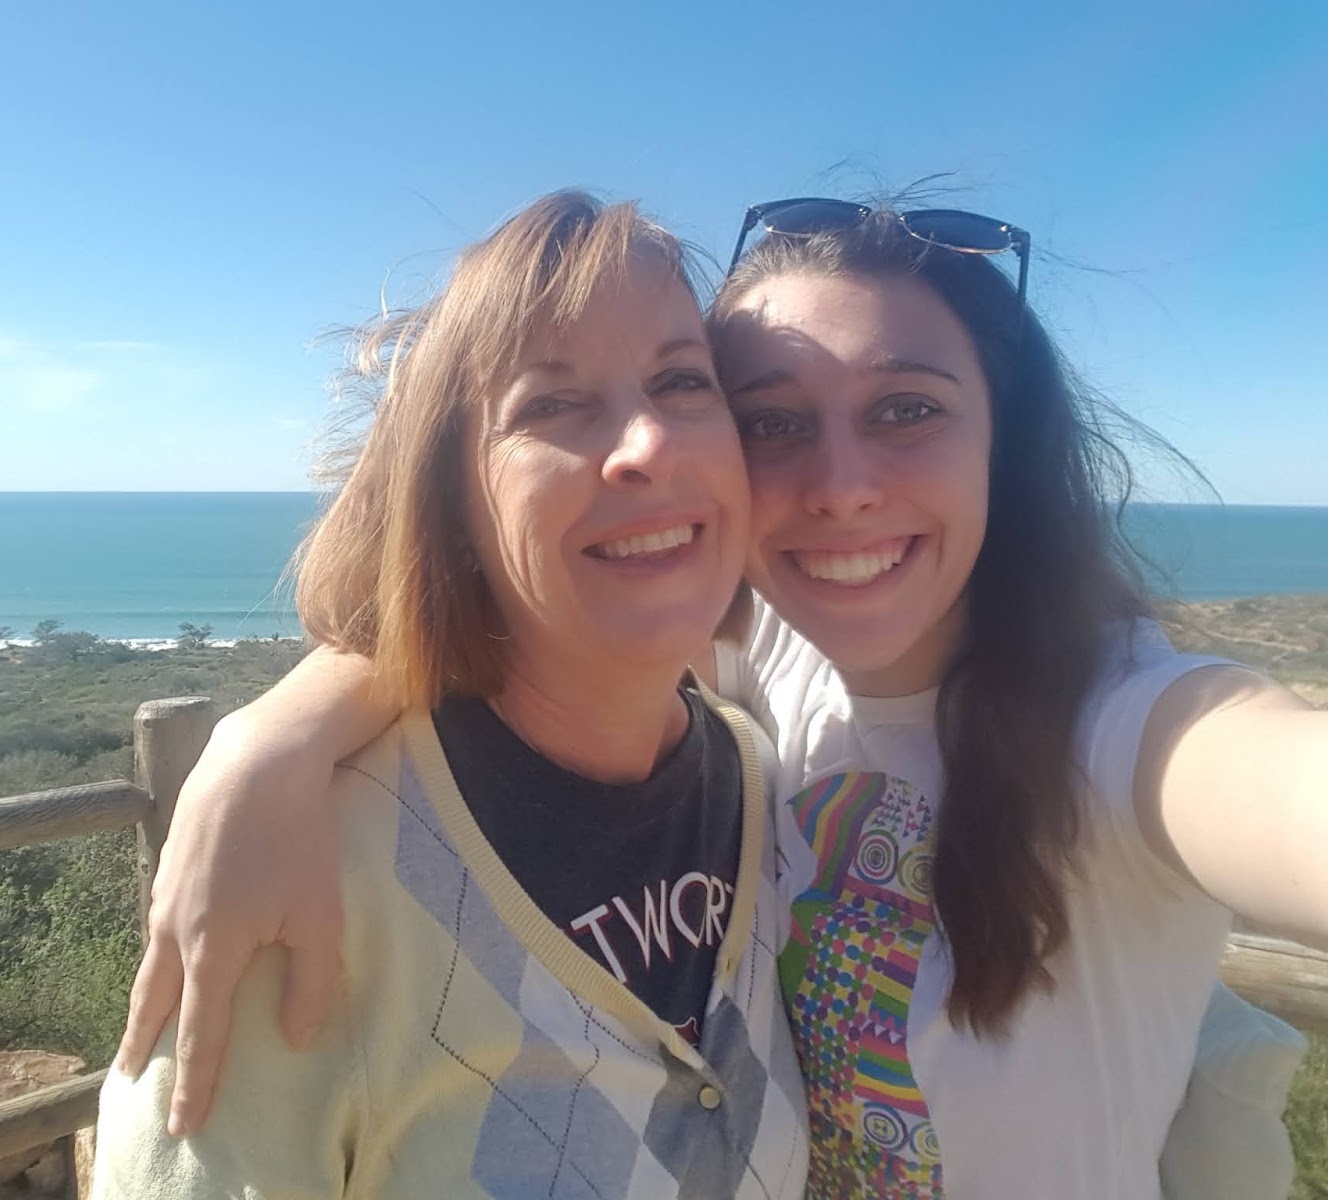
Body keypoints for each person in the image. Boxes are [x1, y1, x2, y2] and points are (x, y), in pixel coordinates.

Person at [114, 196, 1328, 1198]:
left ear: (999, 443)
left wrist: (265, 740)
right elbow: (546, 599)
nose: (841, 485)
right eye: (773, 420)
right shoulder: (761, 678)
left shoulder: (1126, 722)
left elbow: (1272, 786)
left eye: (907, 409)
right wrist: (273, 737)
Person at [91, 191, 811, 1198]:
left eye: (683, 381)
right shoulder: (301, 877)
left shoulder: (759, 784)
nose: (647, 443)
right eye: (551, 405)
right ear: (451, 505)